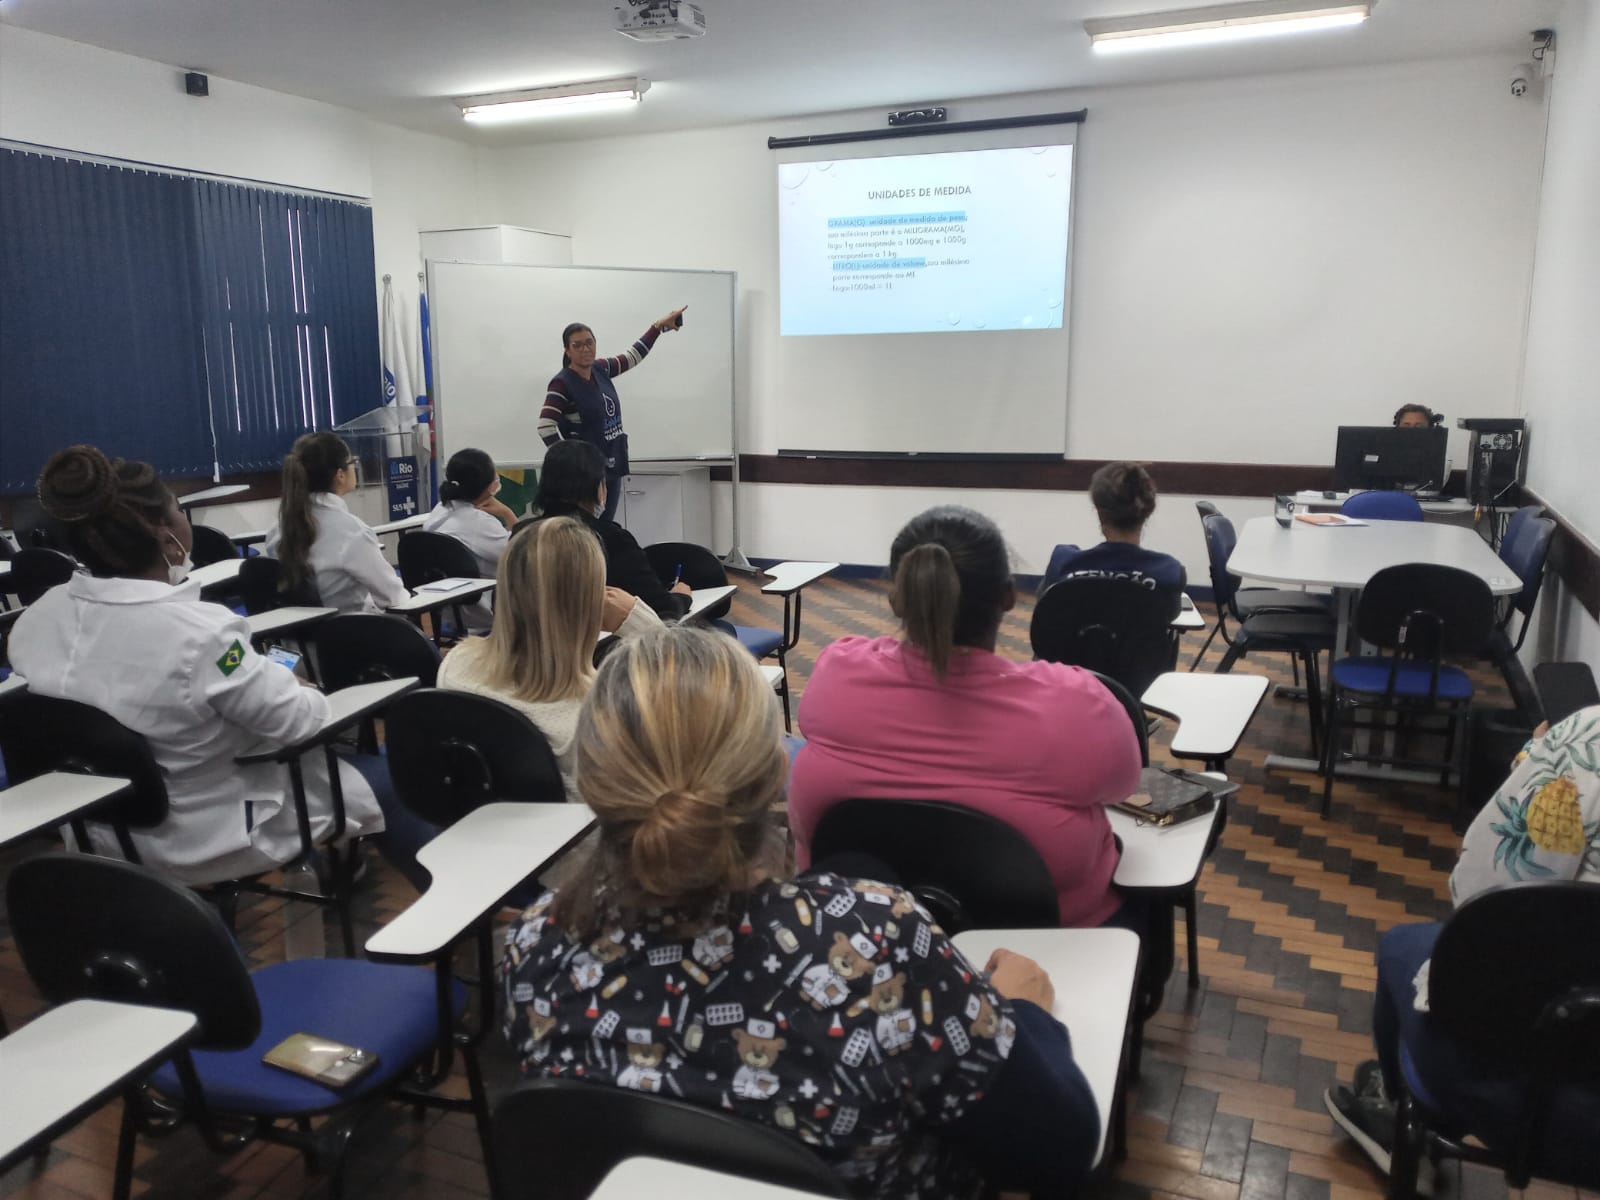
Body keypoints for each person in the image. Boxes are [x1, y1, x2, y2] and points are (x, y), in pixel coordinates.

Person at [501, 626, 1100, 1198]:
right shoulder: (877, 944)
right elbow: (1060, 1146)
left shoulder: (532, 949)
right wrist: (1023, 1014)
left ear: (594, 780)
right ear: (775, 774)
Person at [9, 445, 389, 884]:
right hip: (200, 837)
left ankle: (332, 872)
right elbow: (299, 724)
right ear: (165, 533)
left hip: (97, 831)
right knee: (387, 783)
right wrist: (299, 690)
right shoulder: (202, 634)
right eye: (178, 511)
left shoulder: (34, 621)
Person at [788, 506, 1144, 932]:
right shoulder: (1081, 708)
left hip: (860, 944)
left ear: (896, 597)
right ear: (1008, 597)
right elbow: (1125, 786)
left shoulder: (835, 674)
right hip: (1045, 958)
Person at [1324, 708, 1600, 1188]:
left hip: (1542, 1082)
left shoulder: (1588, 741)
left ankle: (1404, 1117)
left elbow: (1489, 894)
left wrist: (1533, 759)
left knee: (1401, 947)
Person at [437, 515, 661, 803]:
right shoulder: (602, 709)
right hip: (581, 845)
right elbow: (685, 711)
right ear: (591, 603)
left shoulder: (455, 664)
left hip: (478, 832)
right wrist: (648, 628)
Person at [540, 307, 686, 522]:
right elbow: (545, 426)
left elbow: (633, 356)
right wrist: (569, 463)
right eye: (577, 345)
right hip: (584, 474)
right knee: (586, 531)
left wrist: (658, 327)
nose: (585, 349)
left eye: (589, 342)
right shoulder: (562, 383)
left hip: (610, 465)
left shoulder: (600, 369)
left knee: (606, 531)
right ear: (567, 350)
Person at [533, 439, 692, 621]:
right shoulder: (609, 538)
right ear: (597, 487)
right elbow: (661, 610)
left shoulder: (523, 534)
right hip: (600, 644)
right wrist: (681, 597)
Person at [264, 431, 408, 613]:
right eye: (352, 463)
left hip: (295, 637)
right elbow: (392, 597)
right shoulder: (352, 532)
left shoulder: (278, 529)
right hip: (349, 636)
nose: (355, 467)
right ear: (340, 475)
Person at [1041, 461, 1186, 597]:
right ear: (1148, 511)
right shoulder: (1169, 572)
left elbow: (1045, 611)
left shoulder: (1062, 562)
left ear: (1100, 512)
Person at [422, 447, 516, 632]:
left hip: (449, 611)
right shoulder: (479, 523)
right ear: (489, 486)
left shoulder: (439, 511)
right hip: (487, 615)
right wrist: (508, 514)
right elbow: (520, 555)